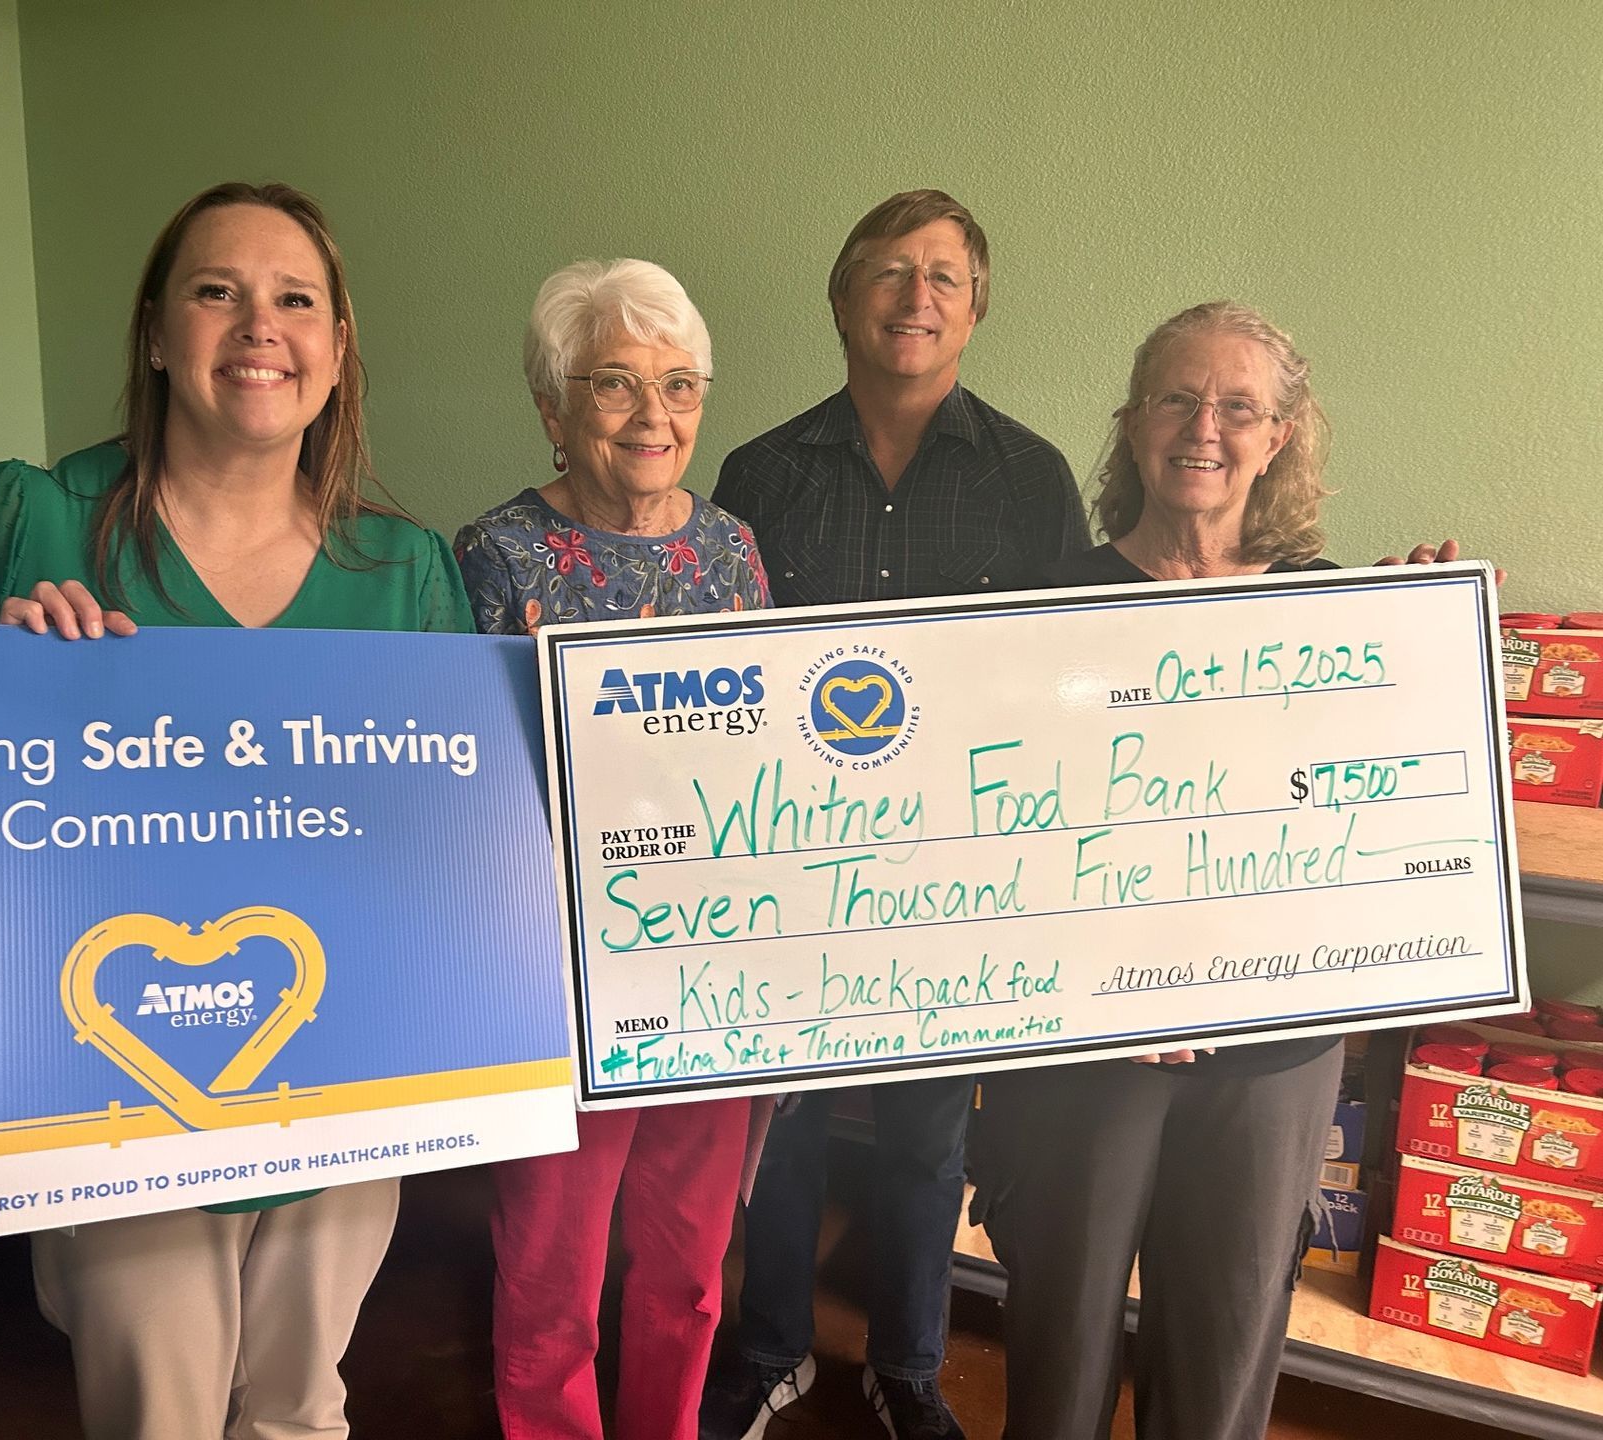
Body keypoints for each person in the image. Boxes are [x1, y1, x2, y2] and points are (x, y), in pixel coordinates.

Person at [0, 181, 472, 1440]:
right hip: (107, 1064)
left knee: (302, 1404)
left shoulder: (406, 571)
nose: (261, 325)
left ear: (337, 350)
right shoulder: (25, 519)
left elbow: (445, 842)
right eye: (218, 291)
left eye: (295, 300)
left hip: (342, 1060)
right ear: (156, 332)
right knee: (160, 1412)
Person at [699, 190, 1087, 1440]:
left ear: (976, 308)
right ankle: (772, 1348)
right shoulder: (759, 473)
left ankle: (908, 1370)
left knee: (927, 1133)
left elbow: (1066, 676)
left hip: (954, 870)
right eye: (887, 270)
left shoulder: (1030, 478)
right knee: (783, 1120)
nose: (916, 296)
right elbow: (722, 672)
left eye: (944, 276)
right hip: (792, 861)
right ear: (840, 298)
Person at [966, 299, 1351, 1440]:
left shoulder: (1338, 613)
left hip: (1272, 1050)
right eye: (1177, 398)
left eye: (1238, 407)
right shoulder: (1039, 611)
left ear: (1279, 438)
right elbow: (992, 844)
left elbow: (1366, 822)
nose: (1204, 427)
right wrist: (1105, 982)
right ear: (1133, 424)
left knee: (1222, 1363)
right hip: (1083, 1049)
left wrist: (1430, 639)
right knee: (1059, 1350)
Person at [455, 258, 771, 1440]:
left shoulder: (730, 551)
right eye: (614, 383)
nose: (654, 415)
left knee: (690, 1269)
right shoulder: (496, 554)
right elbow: (470, 785)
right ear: (553, 405)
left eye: (679, 384)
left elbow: (766, 760)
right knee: (553, 1271)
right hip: (559, 976)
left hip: (708, 971)